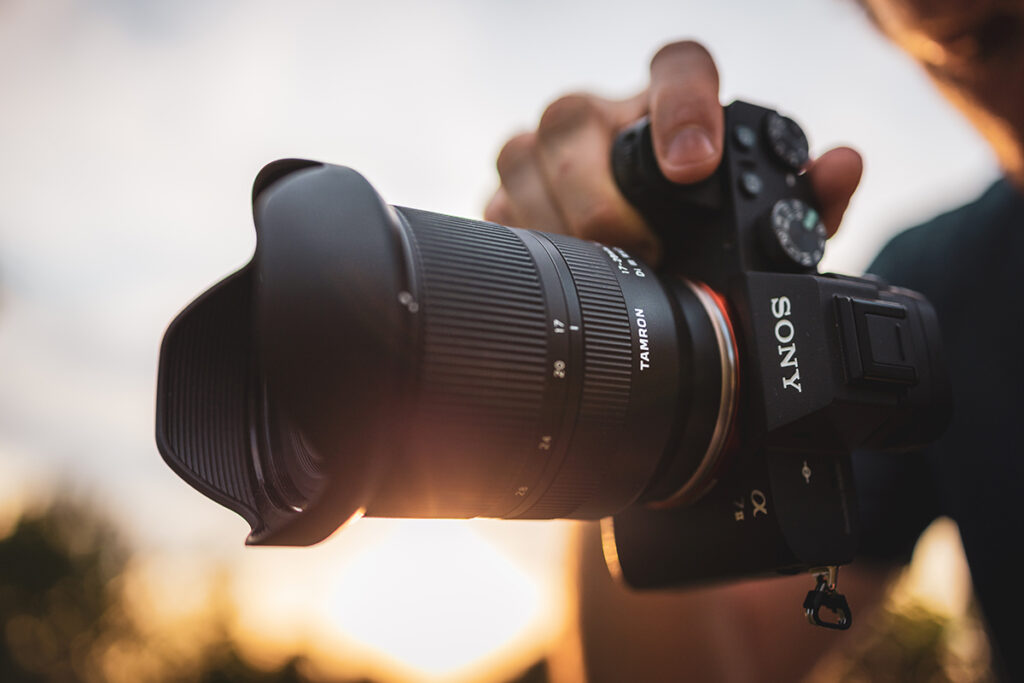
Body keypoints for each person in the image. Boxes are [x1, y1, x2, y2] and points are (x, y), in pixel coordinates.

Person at [483, 1, 1024, 680]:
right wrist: (621, 348)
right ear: (889, 30)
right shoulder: (945, 283)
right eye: (988, 40)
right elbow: (693, 671)